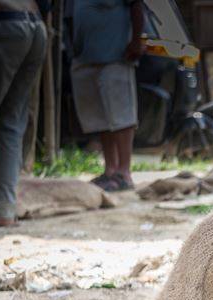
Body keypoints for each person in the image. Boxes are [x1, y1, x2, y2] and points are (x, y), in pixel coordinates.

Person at [69, 0, 144, 192]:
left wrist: (136, 41)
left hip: (116, 56)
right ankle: (110, 169)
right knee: (101, 117)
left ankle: (124, 173)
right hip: (85, 58)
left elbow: (137, 5)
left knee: (122, 116)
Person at [0, 0, 46, 226]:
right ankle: (5, 211)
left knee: (10, 122)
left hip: (5, 24)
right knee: (11, 123)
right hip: (36, 26)